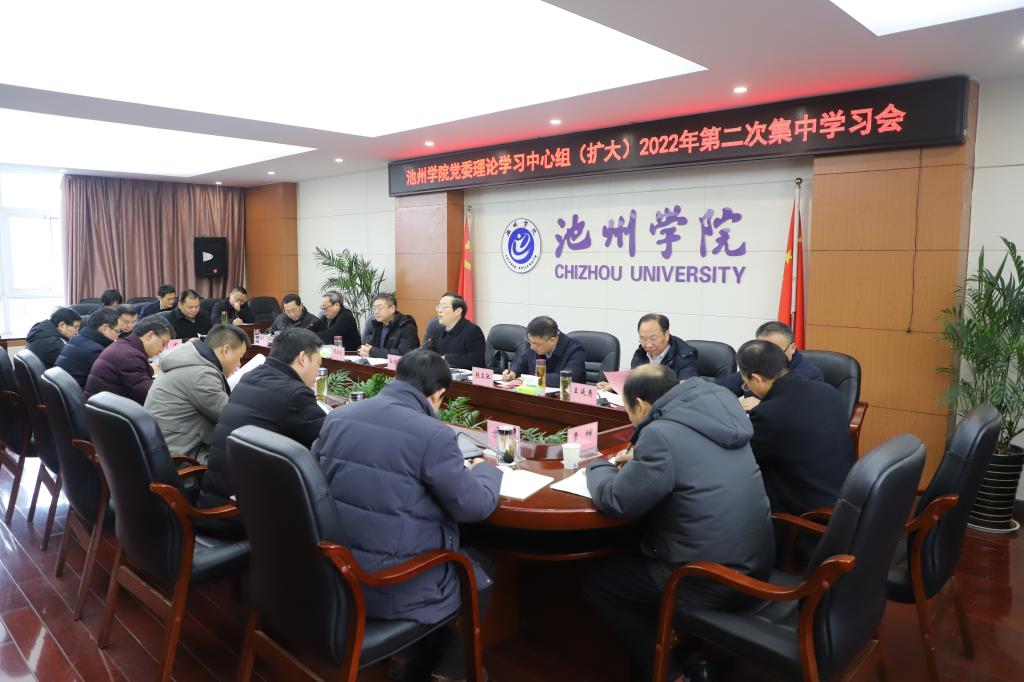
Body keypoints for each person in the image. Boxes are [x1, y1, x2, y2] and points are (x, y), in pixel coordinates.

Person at [313, 350, 501, 681]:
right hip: (387, 585)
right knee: (478, 569)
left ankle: (407, 658)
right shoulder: (433, 434)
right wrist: (486, 471)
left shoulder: (339, 417)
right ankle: (449, 673)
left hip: (335, 570)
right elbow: (474, 506)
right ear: (439, 394)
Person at [583, 364, 774, 681]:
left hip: (707, 579)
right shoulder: (722, 413)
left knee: (600, 583)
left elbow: (617, 500)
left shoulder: (661, 435)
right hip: (757, 563)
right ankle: (690, 647)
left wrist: (598, 466)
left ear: (640, 405)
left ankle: (669, 672)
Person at [199, 328, 328, 533]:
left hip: (216, 501)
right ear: (303, 358)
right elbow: (331, 441)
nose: (317, 374)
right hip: (247, 515)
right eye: (318, 364)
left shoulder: (250, 377)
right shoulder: (294, 394)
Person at [738, 340, 855, 519]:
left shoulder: (768, 415)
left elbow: (744, 461)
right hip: (845, 503)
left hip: (807, 519)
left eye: (746, 383)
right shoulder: (829, 391)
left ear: (757, 379)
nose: (748, 388)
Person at [144, 324, 248, 463]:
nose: (239, 364)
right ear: (226, 350)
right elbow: (229, 417)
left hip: (163, 447)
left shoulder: (190, 360)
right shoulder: (201, 374)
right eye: (239, 357)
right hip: (180, 458)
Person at [716, 320, 823, 409]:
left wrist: (764, 406)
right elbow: (718, 390)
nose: (768, 357)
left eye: (776, 351)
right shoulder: (756, 362)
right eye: (763, 351)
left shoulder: (810, 375)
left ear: (792, 348)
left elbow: (806, 412)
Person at [85, 315, 172, 404]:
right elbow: (150, 396)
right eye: (163, 343)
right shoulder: (131, 357)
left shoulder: (125, 346)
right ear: (150, 336)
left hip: (104, 406)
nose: (162, 350)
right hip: (109, 410)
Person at [503, 316, 586, 386]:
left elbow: (567, 379)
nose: (532, 347)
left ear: (552, 340)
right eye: (530, 342)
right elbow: (522, 364)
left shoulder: (575, 350)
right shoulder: (535, 345)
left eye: (536, 344)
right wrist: (513, 371)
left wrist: (530, 380)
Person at [55, 308, 119, 388]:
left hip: (66, 388)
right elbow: (113, 380)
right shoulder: (95, 351)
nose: (117, 337)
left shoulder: (76, 339)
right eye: (117, 332)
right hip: (79, 393)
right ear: (104, 328)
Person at [420, 292, 486, 369]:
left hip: (464, 375)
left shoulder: (473, 331)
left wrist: (445, 359)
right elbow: (424, 353)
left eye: (444, 307)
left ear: (458, 311)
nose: (439, 310)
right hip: (436, 373)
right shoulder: (433, 326)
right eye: (439, 306)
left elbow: (476, 360)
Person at [359, 292, 419, 358]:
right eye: (374, 308)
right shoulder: (377, 325)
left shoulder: (407, 327)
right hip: (378, 364)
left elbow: (404, 354)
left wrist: (372, 352)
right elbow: (368, 348)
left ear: (392, 309)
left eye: (380, 308)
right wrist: (364, 350)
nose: (376, 312)